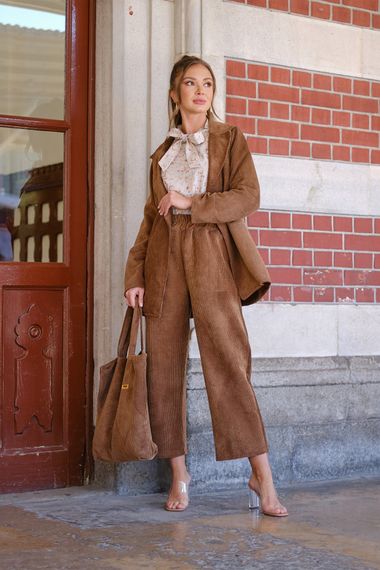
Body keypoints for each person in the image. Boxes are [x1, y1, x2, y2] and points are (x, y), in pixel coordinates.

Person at [124, 54, 288, 517]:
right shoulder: (160, 156)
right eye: (191, 84)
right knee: (163, 369)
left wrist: (191, 202)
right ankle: (180, 474)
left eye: (208, 84)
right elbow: (148, 223)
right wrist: (134, 276)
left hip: (212, 254)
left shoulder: (230, 138)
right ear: (175, 95)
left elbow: (247, 196)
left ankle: (262, 476)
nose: (201, 90)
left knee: (231, 363)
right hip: (164, 261)